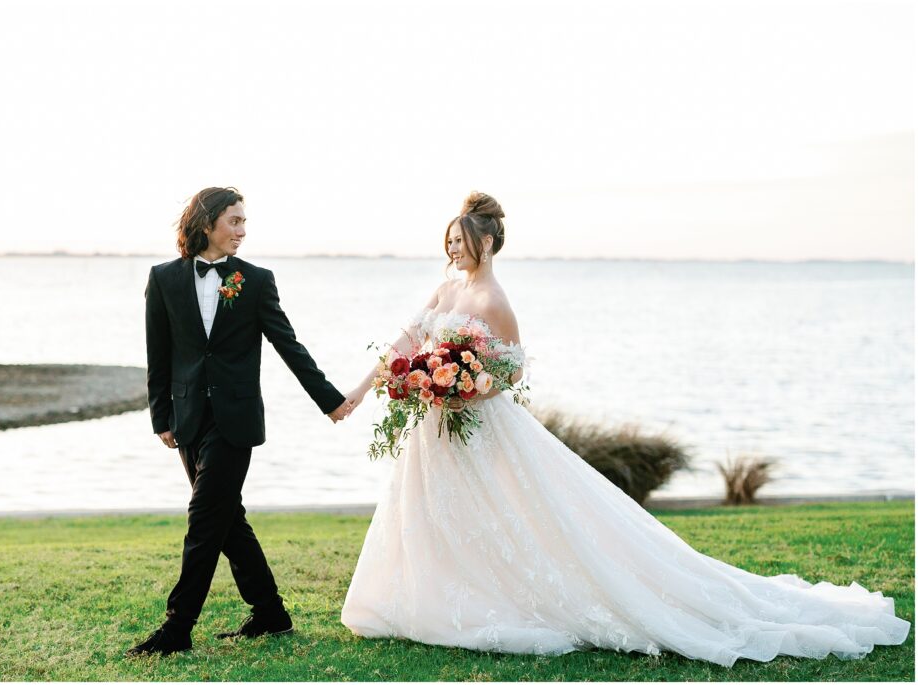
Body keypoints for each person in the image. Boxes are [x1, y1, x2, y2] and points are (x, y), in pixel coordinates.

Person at [338, 191, 910, 666]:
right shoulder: (445, 290)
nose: (452, 249)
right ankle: (425, 598)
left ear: (485, 243)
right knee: (434, 512)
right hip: (434, 429)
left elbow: (510, 369)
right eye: (448, 242)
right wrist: (367, 389)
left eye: (460, 241)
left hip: (476, 424)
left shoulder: (494, 299)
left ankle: (489, 597)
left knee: (504, 512)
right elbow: (406, 343)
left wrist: (465, 388)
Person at [128, 186, 354, 657]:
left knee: (205, 518)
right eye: (235, 221)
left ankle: (178, 626)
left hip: (236, 420)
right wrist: (161, 417)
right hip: (188, 419)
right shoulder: (164, 279)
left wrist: (329, 400)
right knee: (229, 521)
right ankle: (270, 611)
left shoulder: (255, 281)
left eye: (244, 222)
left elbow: (287, 345)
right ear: (207, 222)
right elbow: (159, 356)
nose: (242, 231)